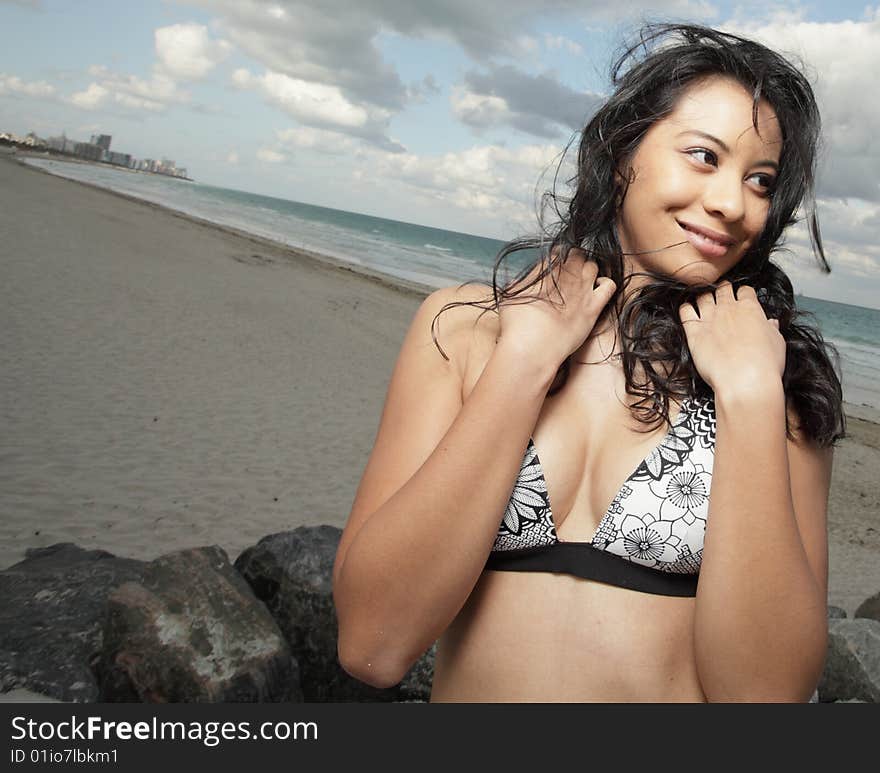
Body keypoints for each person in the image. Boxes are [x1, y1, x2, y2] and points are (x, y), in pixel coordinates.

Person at [331, 23, 845, 702]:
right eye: (702, 155)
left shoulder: (779, 379)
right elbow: (372, 643)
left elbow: (765, 696)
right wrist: (523, 361)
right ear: (622, 149)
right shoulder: (464, 329)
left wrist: (749, 399)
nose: (731, 203)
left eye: (760, 180)